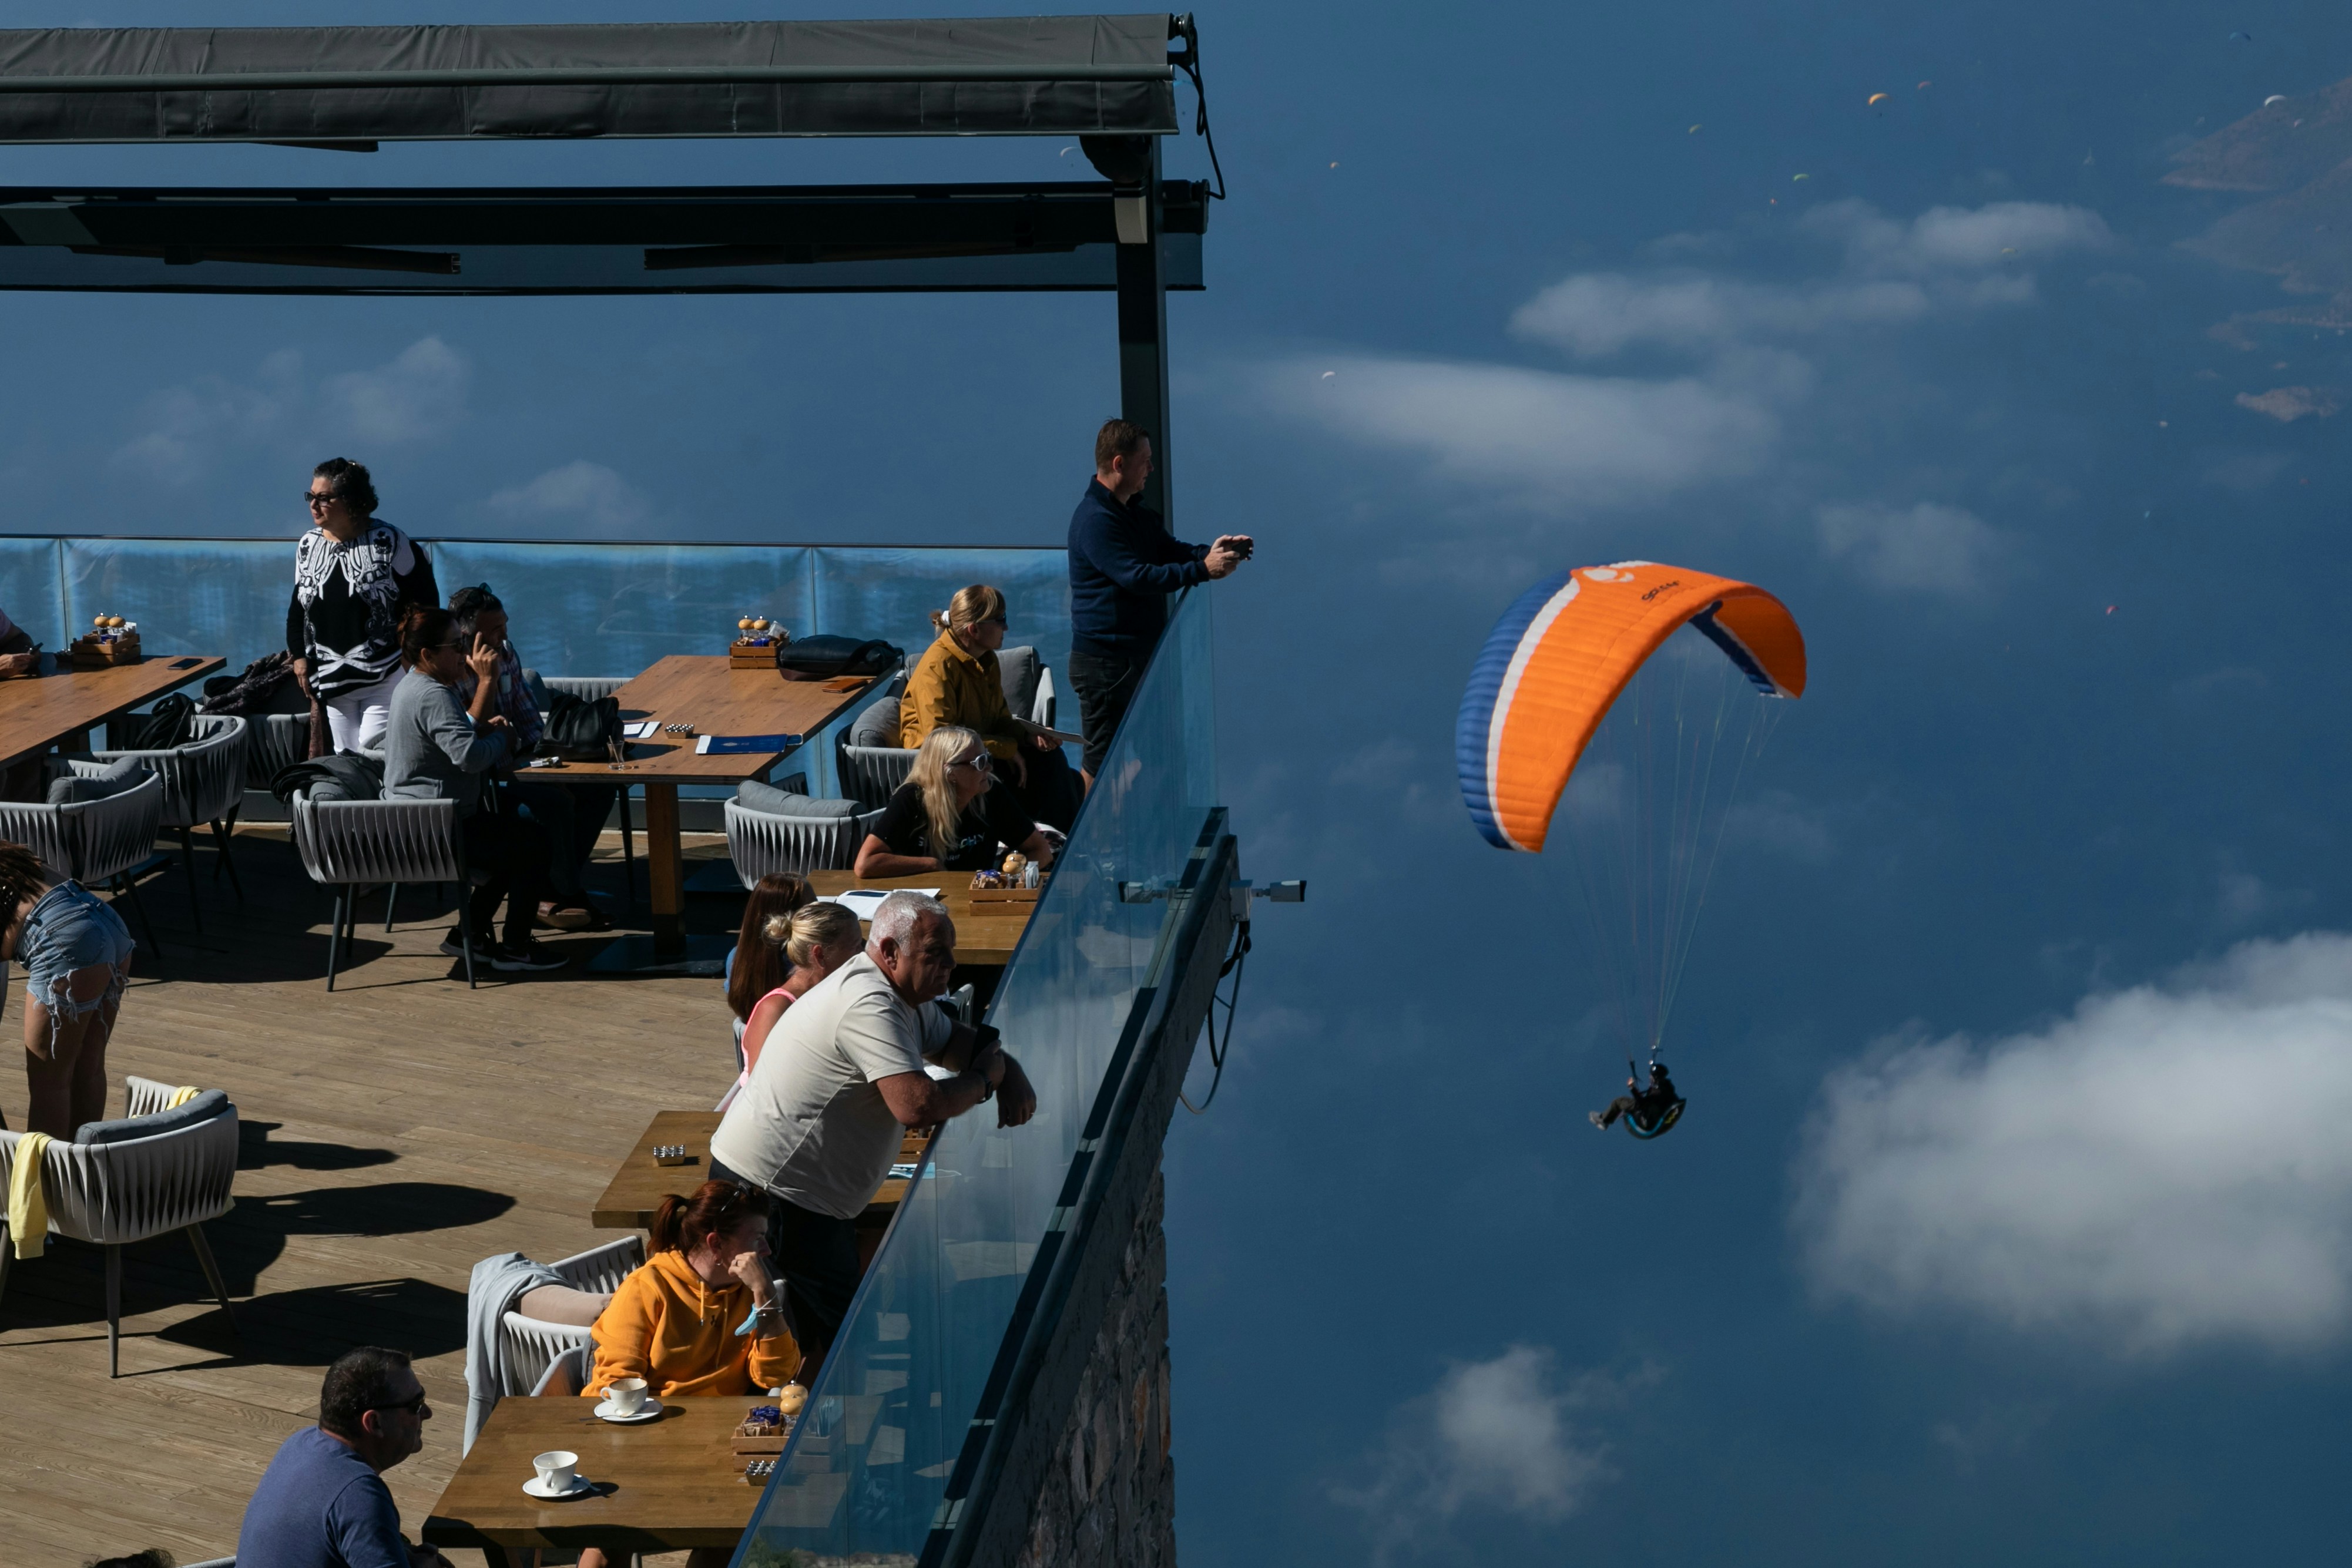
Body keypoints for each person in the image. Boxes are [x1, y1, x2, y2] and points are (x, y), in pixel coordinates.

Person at [709, 890, 1037, 1361]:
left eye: (951, 952)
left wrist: (1012, 1070)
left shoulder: (905, 996)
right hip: (774, 1195)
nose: (950, 965)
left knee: (823, 1338)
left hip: (808, 1200)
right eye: (934, 953)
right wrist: (987, 1081)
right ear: (888, 951)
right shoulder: (869, 1001)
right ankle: (813, 1429)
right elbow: (917, 1105)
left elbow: (965, 1043)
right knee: (822, 1347)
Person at [576, 1180, 797, 1568]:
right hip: (638, 1440)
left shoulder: (749, 1290)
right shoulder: (648, 1286)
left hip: (717, 1445)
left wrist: (765, 1296)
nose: (766, 1249)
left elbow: (774, 1374)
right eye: (757, 1238)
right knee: (612, 1540)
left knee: (731, 1539)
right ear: (716, 1243)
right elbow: (616, 1381)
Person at [1065, 418, 1253, 789]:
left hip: (1135, 658)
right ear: (1119, 464)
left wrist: (1212, 554)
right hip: (1106, 664)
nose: (1151, 468)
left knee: (1156, 753)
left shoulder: (1133, 512)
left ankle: (1126, 830)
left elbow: (1168, 550)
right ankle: (1082, 841)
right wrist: (1202, 570)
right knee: (1101, 764)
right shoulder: (1095, 522)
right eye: (1145, 460)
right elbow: (1137, 576)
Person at [381, 607, 566, 973]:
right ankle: (514, 949)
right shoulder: (433, 694)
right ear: (427, 655)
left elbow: (450, 736)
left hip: (420, 821)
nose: (465, 652)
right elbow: (468, 758)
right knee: (534, 843)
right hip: (433, 828)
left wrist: (478, 728)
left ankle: (471, 935)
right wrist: (501, 735)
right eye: (456, 645)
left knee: (513, 842)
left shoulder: (416, 686)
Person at [448, 583, 617, 932]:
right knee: (553, 804)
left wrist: (552, 763)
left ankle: (551, 888)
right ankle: (568, 893)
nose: (504, 634)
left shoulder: (506, 651)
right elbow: (465, 739)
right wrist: (486, 681)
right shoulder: (449, 669)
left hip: (517, 761)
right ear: (468, 633)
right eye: (494, 630)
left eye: (505, 624)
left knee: (598, 787)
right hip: (481, 778)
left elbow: (525, 712)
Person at [235, 1345, 453, 1568]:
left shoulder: (301, 1444)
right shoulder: (358, 1495)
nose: (427, 1413)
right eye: (415, 1405)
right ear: (375, 1423)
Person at [287, 459, 439, 756]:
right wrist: (299, 658)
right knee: (347, 758)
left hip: (385, 672)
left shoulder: (390, 541)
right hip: (330, 677)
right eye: (311, 497)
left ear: (352, 502)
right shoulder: (308, 545)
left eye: (324, 498)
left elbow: (424, 602)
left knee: (374, 754)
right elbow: (298, 607)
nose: (314, 506)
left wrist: (412, 656)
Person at [900, 584, 1081, 830]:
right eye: (1000, 619)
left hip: (978, 753)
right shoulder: (937, 668)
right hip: (948, 768)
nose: (1006, 627)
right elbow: (942, 741)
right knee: (1053, 781)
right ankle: (1050, 845)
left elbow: (1000, 719)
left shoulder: (985, 660)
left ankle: (1055, 843)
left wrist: (1028, 736)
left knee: (1055, 763)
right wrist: (1008, 750)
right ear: (974, 629)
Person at [1, 841, 133, 1138]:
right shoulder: (7, 855)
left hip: (65, 941)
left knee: (49, 1082)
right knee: (90, 1064)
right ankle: (82, 1168)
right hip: (105, 919)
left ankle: (45, 1180)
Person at [853, 725, 1058, 880]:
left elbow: (1041, 851)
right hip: (923, 901)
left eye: (987, 758)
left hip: (978, 896)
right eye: (979, 763)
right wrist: (931, 864)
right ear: (950, 773)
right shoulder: (912, 798)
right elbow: (865, 864)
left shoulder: (991, 793)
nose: (988, 768)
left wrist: (1006, 880)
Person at [737, 902, 863, 1086]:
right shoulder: (775, 1009)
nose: (863, 954)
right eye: (855, 946)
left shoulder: (837, 992)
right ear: (819, 955)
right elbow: (761, 1087)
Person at [1591, 1061, 1682, 1132]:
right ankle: (1607, 1119)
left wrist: (1632, 1088)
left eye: (1651, 1077)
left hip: (1647, 1117)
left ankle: (1603, 1121)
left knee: (1619, 1102)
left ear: (1655, 1077)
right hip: (1654, 1113)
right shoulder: (1667, 1087)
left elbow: (1642, 1103)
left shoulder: (1659, 1091)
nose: (1650, 1078)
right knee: (1627, 1103)